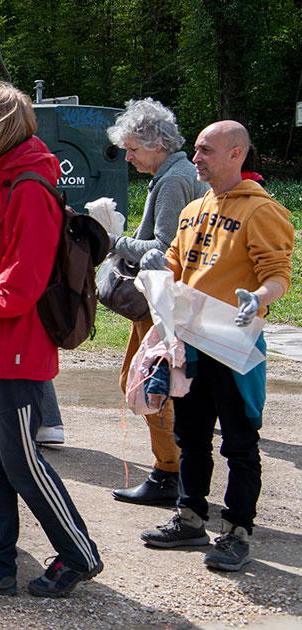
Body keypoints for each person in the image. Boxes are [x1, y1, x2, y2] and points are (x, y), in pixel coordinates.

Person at [0, 81, 102, 598]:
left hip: (17, 346)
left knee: (22, 461)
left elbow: (22, 287)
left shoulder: (26, 187)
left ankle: (78, 553)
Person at [138, 120, 293, 572]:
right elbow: (174, 266)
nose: (198, 157)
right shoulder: (192, 210)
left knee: (240, 443)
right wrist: (155, 267)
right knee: (191, 434)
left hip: (235, 346)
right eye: (198, 149)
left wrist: (259, 299)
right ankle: (190, 517)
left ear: (236, 154)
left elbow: (277, 275)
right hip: (191, 345)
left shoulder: (261, 211)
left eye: (207, 150)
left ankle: (237, 530)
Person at [102, 98, 210, 505]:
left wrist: (111, 240)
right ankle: (174, 471)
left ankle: (169, 474)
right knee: (148, 383)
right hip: (166, 303)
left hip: (163, 303)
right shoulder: (176, 174)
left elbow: (163, 248)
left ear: (158, 142)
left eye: (133, 148)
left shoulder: (172, 179)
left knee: (150, 386)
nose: (128, 157)